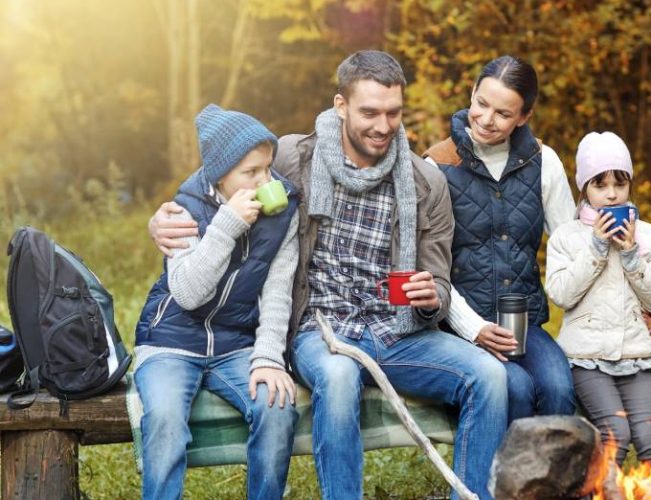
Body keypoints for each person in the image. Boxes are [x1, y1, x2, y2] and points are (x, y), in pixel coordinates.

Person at [149, 51, 507, 500]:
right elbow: (219, 177)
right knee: (338, 376)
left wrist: (430, 295)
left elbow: (437, 276)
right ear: (341, 105)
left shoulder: (425, 183)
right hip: (319, 328)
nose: (382, 125)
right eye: (369, 112)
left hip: (394, 330)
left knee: (490, 376)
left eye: (393, 113)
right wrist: (162, 218)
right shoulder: (292, 157)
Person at [134, 104, 300, 499]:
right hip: (170, 342)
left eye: (268, 168)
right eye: (251, 172)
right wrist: (227, 225)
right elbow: (190, 294)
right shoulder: (183, 209)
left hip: (235, 344)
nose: (265, 181)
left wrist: (268, 358)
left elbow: (278, 291)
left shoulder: (284, 211)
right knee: (165, 417)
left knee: (277, 409)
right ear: (220, 175)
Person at [423, 55, 577, 423]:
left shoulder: (544, 161)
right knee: (516, 390)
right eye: (481, 104)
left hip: (524, 325)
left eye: (503, 114)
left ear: (523, 117)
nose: (486, 120)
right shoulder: (436, 166)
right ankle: (507, 481)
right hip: (460, 328)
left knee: (559, 388)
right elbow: (431, 267)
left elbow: (572, 247)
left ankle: (554, 480)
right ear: (472, 93)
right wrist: (473, 330)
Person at [545, 131, 651, 472]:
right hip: (585, 359)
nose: (612, 194)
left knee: (650, 438)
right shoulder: (567, 237)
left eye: (620, 184)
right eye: (600, 185)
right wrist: (597, 248)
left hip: (637, 357)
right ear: (584, 189)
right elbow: (560, 294)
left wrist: (633, 255)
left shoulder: (648, 236)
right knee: (615, 433)